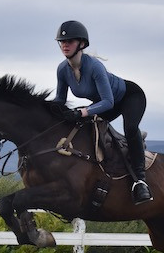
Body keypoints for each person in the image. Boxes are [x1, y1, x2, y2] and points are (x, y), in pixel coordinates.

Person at [50, 20, 153, 204]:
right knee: (86, 127)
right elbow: (59, 100)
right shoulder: (62, 70)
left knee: (130, 128)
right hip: (106, 103)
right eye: (62, 42)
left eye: (70, 41)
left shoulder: (94, 67)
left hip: (129, 97)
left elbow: (108, 101)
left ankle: (140, 181)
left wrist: (81, 112)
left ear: (81, 44)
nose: (65, 45)